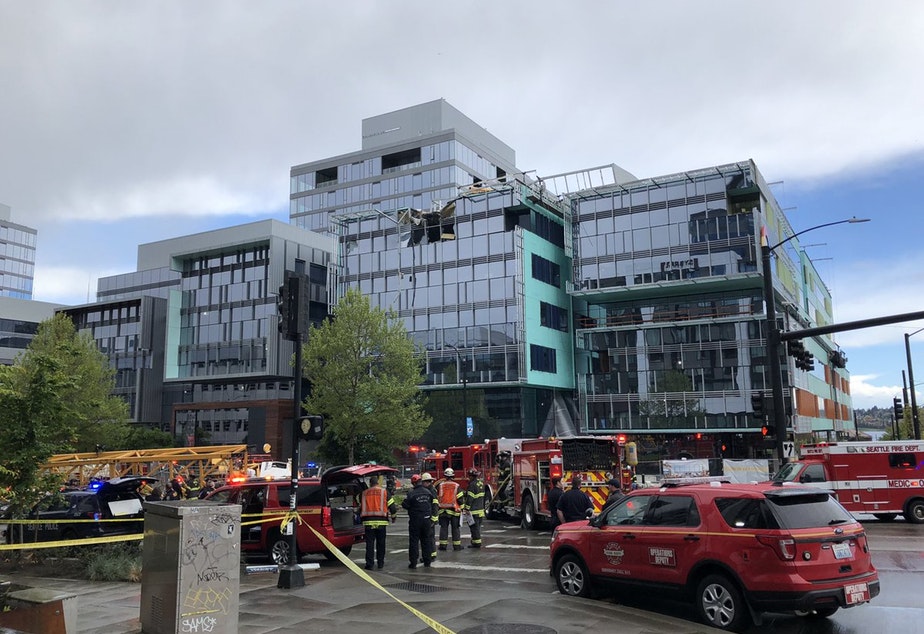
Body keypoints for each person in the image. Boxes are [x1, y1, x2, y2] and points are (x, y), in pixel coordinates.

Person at [359, 475, 397, 570]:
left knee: (370, 544)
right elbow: (392, 506)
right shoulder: (384, 492)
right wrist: (393, 517)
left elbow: (360, 506)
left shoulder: (364, 493)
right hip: (381, 522)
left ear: (370, 483)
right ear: (378, 483)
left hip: (368, 523)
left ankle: (369, 564)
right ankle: (380, 563)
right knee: (381, 544)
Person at [401, 473, 439, 568]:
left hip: (415, 521)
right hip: (427, 520)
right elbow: (432, 504)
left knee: (414, 542)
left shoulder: (411, 493)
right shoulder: (428, 492)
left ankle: (413, 563)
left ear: (413, 483)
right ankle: (427, 561)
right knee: (426, 540)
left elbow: (405, 505)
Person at [436, 468, 464, 551]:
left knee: (443, 528)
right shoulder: (456, 486)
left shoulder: (440, 486)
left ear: (445, 476)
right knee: (455, 528)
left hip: (442, 510)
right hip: (454, 511)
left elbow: (437, 497)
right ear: (453, 476)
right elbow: (460, 499)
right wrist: (462, 508)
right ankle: (456, 546)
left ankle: (443, 546)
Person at [463, 468, 486, 548]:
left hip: (474, 511)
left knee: (474, 528)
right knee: (477, 528)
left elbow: (470, 498)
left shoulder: (472, 485)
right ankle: (475, 541)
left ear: (472, 476)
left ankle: (476, 543)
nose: (469, 478)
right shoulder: (480, 483)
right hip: (480, 510)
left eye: (469, 476)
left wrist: (466, 508)